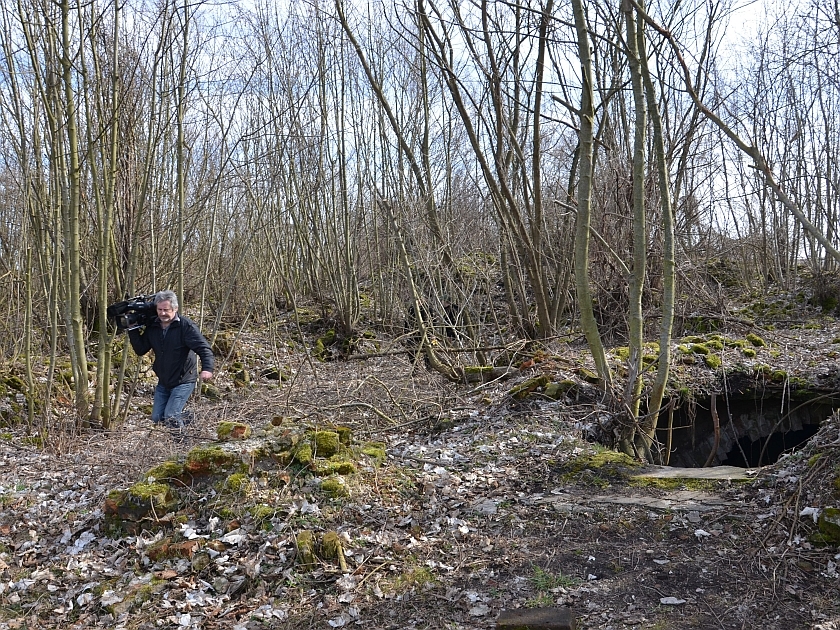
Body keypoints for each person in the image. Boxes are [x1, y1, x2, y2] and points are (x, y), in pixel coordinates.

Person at [128, 289, 214, 429]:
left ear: (175, 309)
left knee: (171, 416)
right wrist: (132, 329)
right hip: (164, 380)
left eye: (166, 310)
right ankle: (192, 420)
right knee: (157, 417)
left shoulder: (185, 326)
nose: (162, 313)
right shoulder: (153, 325)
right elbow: (141, 349)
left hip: (184, 379)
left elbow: (204, 348)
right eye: (159, 309)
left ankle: (182, 446)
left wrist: (207, 369)